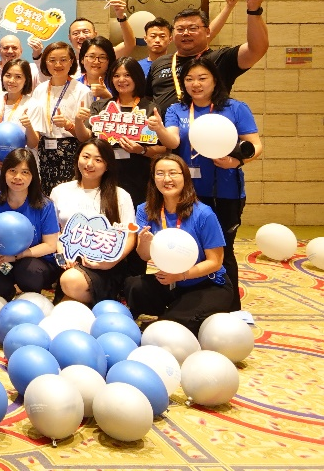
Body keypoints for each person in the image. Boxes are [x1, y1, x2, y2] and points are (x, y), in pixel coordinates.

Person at [147, 56, 261, 310]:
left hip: (225, 190)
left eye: (202, 78)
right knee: (187, 248)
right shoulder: (176, 109)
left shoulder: (234, 108)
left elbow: (255, 145)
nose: (195, 84)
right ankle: (190, 302)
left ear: (214, 80)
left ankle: (231, 308)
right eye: (189, 79)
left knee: (222, 251)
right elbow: (173, 142)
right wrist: (159, 129)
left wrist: (237, 162)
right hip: (187, 193)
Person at [125, 155, 231, 334]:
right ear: (153, 178)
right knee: (134, 286)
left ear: (185, 177)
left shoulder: (204, 213)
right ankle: (175, 309)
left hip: (207, 283)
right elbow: (144, 255)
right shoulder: (145, 210)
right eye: (160, 173)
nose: (166, 179)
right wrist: (145, 242)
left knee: (169, 327)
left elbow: (215, 262)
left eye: (173, 173)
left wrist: (181, 275)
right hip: (172, 282)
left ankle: (174, 316)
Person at [148, 0, 269, 114]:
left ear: (207, 31)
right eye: (180, 29)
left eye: (193, 28)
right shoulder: (159, 63)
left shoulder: (220, 58)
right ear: (172, 35)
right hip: (165, 126)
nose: (186, 33)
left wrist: (254, 10)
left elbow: (256, 49)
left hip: (209, 125)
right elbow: (148, 99)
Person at [50, 139, 137, 305]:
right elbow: (55, 232)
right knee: (70, 281)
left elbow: (130, 237)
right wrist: (62, 257)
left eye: (98, 160)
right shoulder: (60, 191)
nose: (89, 164)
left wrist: (108, 263)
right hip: (69, 261)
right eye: (86, 157)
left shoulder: (120, 196)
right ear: (77, 158)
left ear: (107, 165)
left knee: (71, 282)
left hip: (105, 263)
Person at [74, 56, 165, 207]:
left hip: (138, 174)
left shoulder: (150, 108)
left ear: (137, 77)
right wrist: (78, 121)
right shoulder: (100, 106)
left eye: (127, 75)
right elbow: (85, 137)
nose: (121, 80)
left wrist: (141, 150)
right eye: (116, 75)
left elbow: (162, 149)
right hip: (103, 173)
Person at [0, 148, 60, 301]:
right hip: (1, 259)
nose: (17, 177)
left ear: (33, 175)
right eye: (12, 171)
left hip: (36, 260)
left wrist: (16, 256)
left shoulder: (45, 205)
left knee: (28, 273)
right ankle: (11, 294)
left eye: (25, 172)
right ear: (4, 173)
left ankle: (29, 298)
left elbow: (50, 245)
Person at [25, 41, 91, 193]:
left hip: (72, 150)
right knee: (46, 196)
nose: (58, 64)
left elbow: (85, 137)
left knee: (70, 195)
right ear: (45, 62)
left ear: (71, 61)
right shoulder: (40, 90)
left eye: (63, 60)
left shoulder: (82, 91)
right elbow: (35, 133)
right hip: (44, 150)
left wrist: (69, 125)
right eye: (52, 60)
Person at [29, 0, 136, 81]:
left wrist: (121, 17)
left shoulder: (105, 54)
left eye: (86, 31)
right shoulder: (65, 61)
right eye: (75, 33)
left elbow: (130, 44)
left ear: (95, 34)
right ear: (69, 38)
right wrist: (37, 54)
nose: (81, 36)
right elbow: (47, 78)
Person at [0, 58, 33, 195]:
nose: (12, 80)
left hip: (22, 170)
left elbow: (34, 143)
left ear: (26, 80)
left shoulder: (33, 104)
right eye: (8, 75)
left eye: (18, 77)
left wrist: (29, 126)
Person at [77, 36, 116, 103]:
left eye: (102, 57)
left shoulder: (117, 84)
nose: (96, 62)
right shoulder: (74, 86)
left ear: (109, 61)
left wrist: (107, 96)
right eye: (91, 56)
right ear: (82, 59)